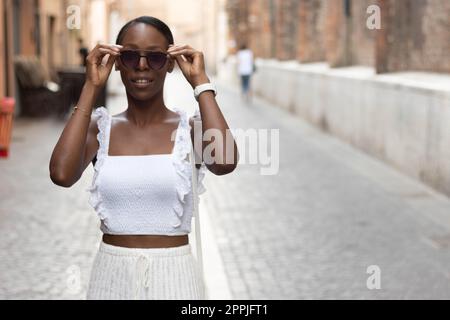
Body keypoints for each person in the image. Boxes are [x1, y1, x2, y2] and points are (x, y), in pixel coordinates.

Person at [49, 16, 239, 300]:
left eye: (155, 57)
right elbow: (61, 174)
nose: (141, 65)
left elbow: (225, 161)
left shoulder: (190, 130)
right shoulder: (99, 130)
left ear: (171, 62)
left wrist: (201, 83)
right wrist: (90, 86)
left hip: (177, 280)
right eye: (129, 56)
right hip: (110, 280)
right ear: (116, 63)